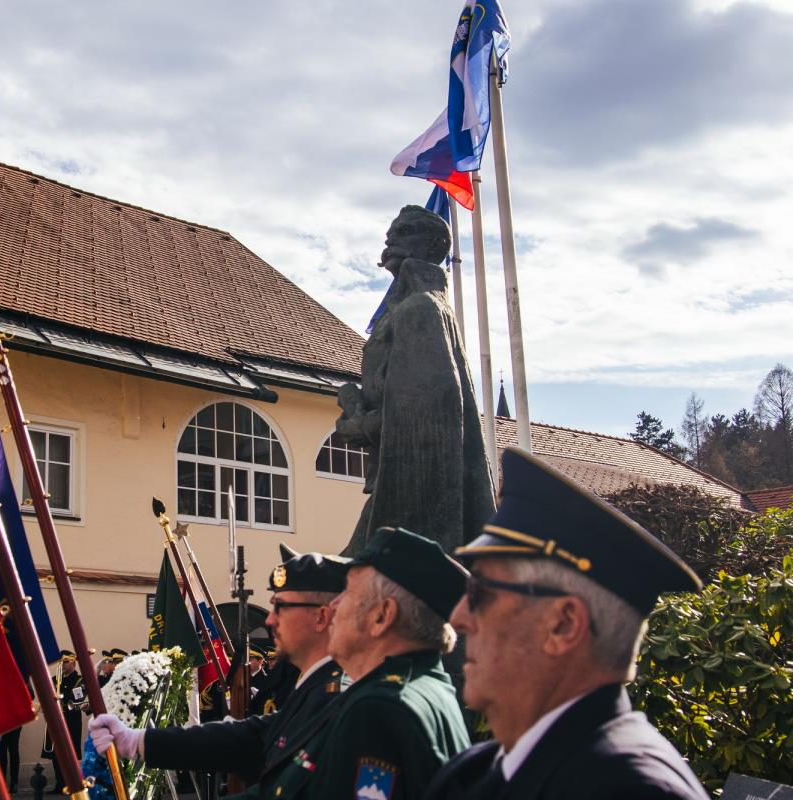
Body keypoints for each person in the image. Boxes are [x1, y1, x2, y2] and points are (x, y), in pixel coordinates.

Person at [424, 448, 710, 800]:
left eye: (479, 593)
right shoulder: (474, 772)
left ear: (563, 624)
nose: (457, 618)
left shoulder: (631, 791)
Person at [89, 547, 348, 795]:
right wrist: (137, 741)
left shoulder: (344, 696)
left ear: (321, 617)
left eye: (281, 606)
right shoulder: (316, 686)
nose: (270, 619)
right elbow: (252, 737)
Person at [266, 527, 471, 800]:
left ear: (382, 616)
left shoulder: (379, 708)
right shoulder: (425, 687)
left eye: (348, 592)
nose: (334, 605)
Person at [336, 206, 493, 556]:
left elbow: (425, 415)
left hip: (413, 489)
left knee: (342, 574)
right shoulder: (416, 308)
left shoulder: (420, 308)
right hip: (394, 481)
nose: (390, 240)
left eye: (404, 232)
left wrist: (361, 425)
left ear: (433, 245)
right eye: (390, 233)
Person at [40, 650, 87, 794]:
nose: (63, 665)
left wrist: (61, 697)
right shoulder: (54, 680)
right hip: (55, 719)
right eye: (60, 662)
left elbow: (77, 697)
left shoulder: (80, 680)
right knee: (56, 753)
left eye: (65, 662)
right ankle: (59, 784)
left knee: (70, 752)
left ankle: (72, 783)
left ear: (73, 662)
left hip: (71, 719)